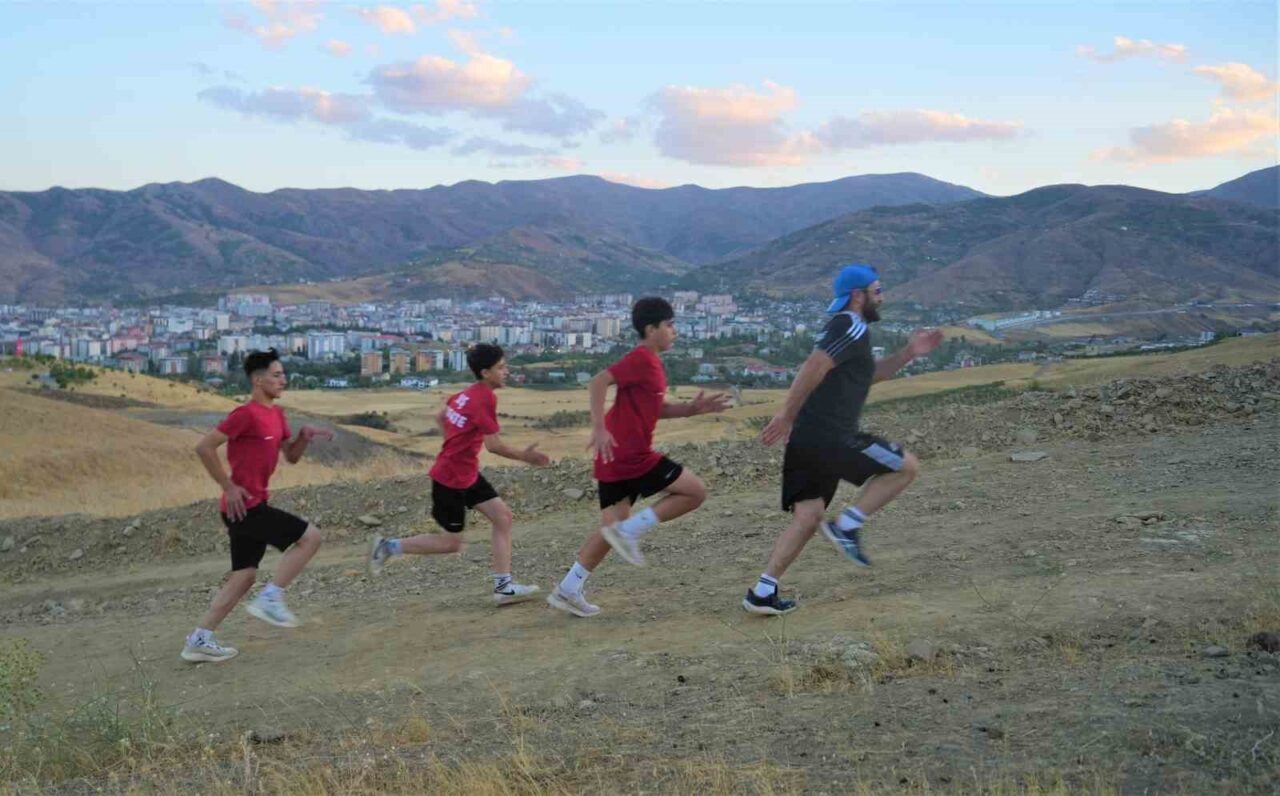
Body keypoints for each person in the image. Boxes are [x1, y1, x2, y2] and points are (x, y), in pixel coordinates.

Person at [745, 264, 942, 615]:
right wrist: (784, 414)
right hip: (831, 436)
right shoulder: (850, 325)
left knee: (807, 517)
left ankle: (762, 591)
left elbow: (868, 375)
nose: (882, 297)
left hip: (807, 438)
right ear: (858, 295)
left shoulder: (851, 330)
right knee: (906, 466)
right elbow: (814, 365)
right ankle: (847, 526)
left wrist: (909, 354)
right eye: (877, 291)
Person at [547, 297, 730, 617]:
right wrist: (599, 426)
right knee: (695, 491)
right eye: (670, 325)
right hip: (630, 455)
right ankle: (632, 529)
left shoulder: (653, 365)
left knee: (609, 530)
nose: (675, 331)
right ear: (651, 328)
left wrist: (692, 409)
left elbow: (657, 408)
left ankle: (568, 588)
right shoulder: (642, 358)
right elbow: (599, 380)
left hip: (613, 459)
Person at [367, 343, 550, 605]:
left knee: (503, 517)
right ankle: (386, 547)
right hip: (450, 480)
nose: (507, 371)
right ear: (486, 373)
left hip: (465, 473)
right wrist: (526, 457)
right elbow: (494, 445)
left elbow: (441, 415)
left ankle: (503, 587)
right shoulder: (484, 398)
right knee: (451, 544)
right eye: (501, 367)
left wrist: (455, 448)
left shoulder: (465, 394)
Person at [181, 349, 333, 662]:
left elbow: (290, 455)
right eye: (276, 375)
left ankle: (199, 639)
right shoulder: (245, 414)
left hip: (251, 505)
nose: (283, 380)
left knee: (244, 576)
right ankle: (271, 598)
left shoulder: (276, 415)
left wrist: (304, 437)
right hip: (244, 507)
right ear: (257, 380)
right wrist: (228, 486)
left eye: (283, 374)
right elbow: (204, 447)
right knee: (310, 538)